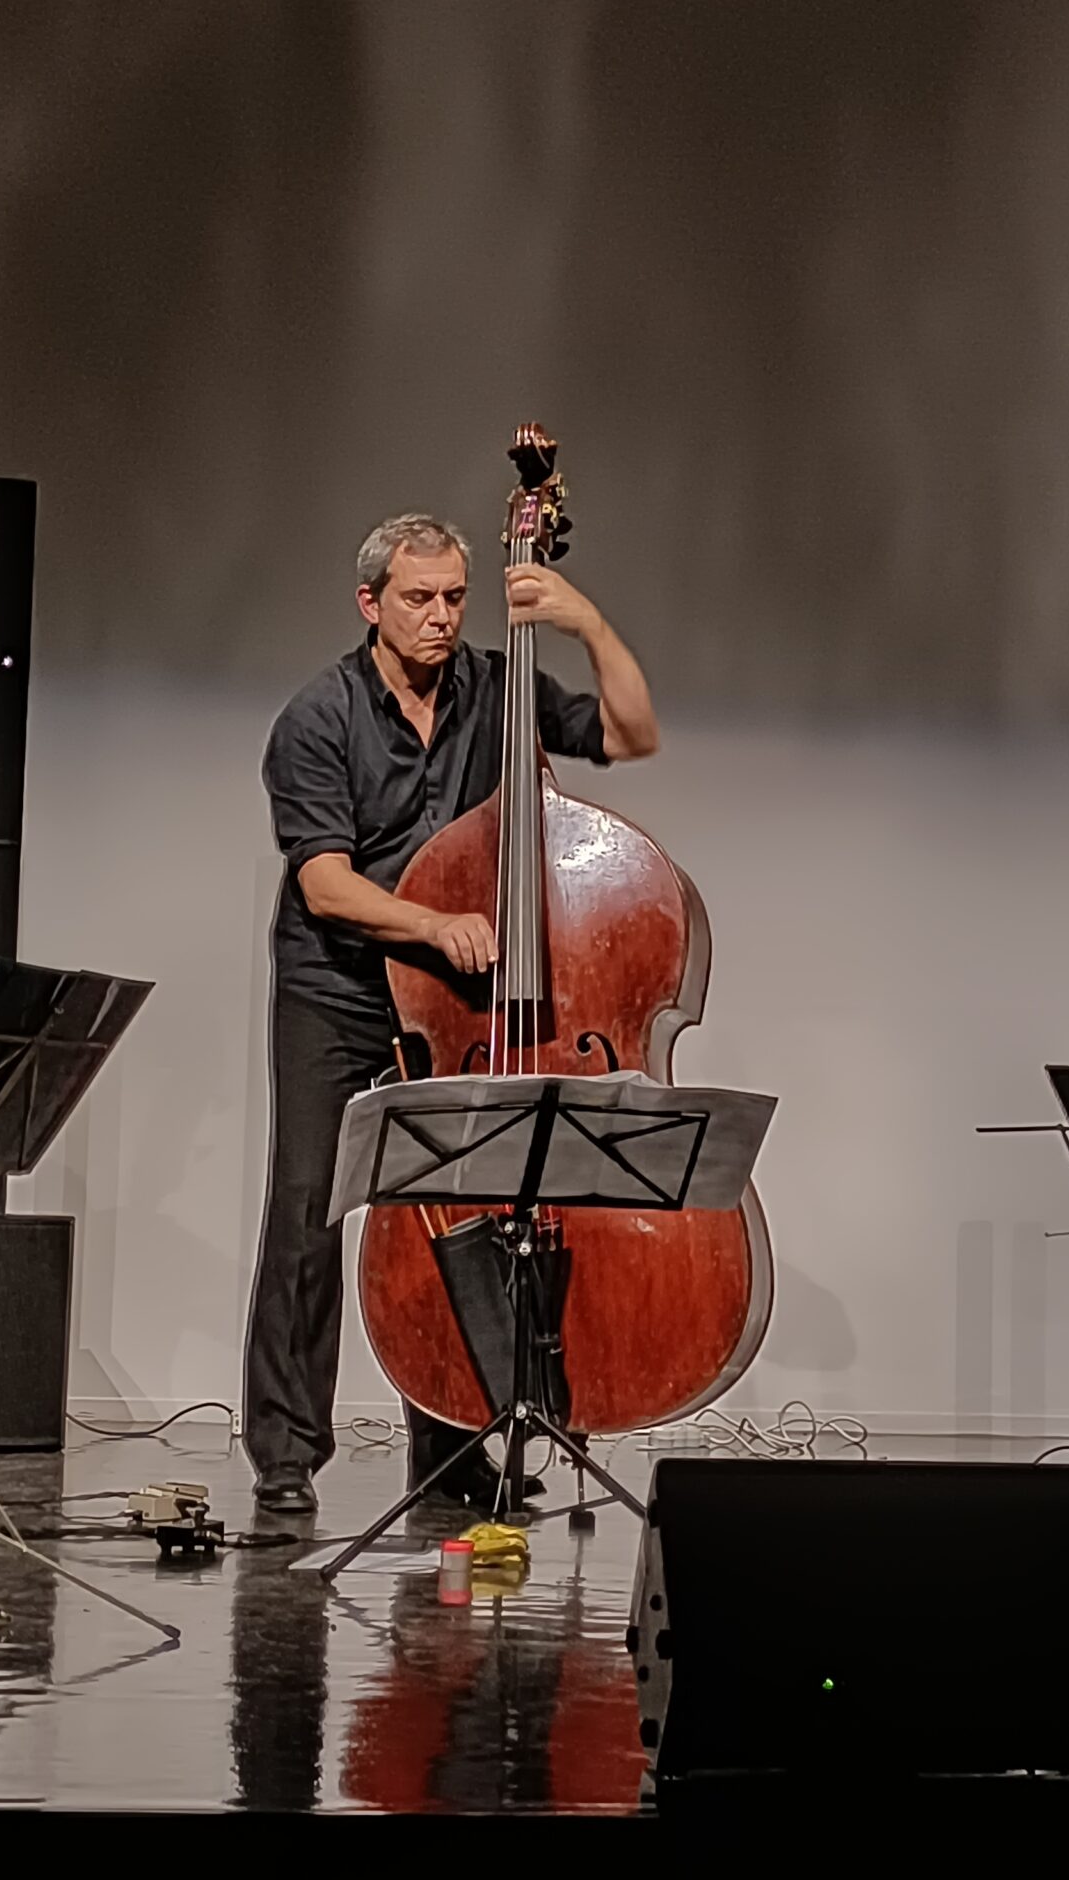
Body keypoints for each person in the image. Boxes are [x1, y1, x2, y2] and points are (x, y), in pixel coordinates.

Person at [247, 513, 661, 1515]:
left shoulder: (497, 687)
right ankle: (286, 1460)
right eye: (417, 600)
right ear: (370, 605)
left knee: (459, 1221)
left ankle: (450, 1450)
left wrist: (584, 622)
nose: (439, 618)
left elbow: (631, 735)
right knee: (310, 1214)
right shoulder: (319, 718)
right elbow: (327, 887)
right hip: (339, 989)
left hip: (452, 1004)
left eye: (452, 599)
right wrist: (433, 927)